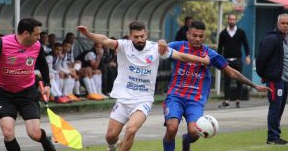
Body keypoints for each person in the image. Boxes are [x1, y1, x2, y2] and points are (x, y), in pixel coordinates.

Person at [77, 21, 210, 151]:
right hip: (124, 98)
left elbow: (181, 56)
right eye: (136, 37)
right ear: (130, 36)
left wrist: (202, 60)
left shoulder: (156, 48)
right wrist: (88, 34)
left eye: (142, 36)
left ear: (146, 34)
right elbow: (105, 40)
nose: (139, 39)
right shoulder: (123, 46)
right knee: (110, 136)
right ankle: (113, 145)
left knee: (131, 130)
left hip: (143, 99)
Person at [162, 21, 271, 151]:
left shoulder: (210, 54)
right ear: (187, 34)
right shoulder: (177, 46)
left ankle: (186, 140)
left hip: (195, 99)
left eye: (201, 36)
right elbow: (160, 49)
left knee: (194, 133)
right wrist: (162, 42)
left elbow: (232, 73)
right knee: (172, 127)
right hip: (175, 95)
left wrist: (255, 85)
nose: (198, 39)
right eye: (194, 35)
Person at [0, 18, 56, 151]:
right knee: (7, 132)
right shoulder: (2, 43)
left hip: (27, 93)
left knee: (34, 134)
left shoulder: (37, 46)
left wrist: (47, 85)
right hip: (4, 94)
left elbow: (43, 64)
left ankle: (46, 141)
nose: (39, 37)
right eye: (36, 34)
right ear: (25, 33)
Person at [256, 13, 288, 145]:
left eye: (287, 23)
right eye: (282, 23)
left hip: (285, 79)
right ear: (278, 24)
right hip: (274, 79)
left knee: (280, 108)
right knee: (275, 107)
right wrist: (264, 76)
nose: (285, 25)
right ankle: (272, 137)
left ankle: (275, 135)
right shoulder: (271, 39)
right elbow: (261, 60)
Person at [217, 14, 251, 108]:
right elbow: (220, 48)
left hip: (238, 59)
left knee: (239, 79)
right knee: (227, 80)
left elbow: (246, 44)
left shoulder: (241, 32)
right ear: (228, 20)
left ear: (236, 21)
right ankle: (227, 100)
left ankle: (238, 100)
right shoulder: (223, 33)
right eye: (230, 19)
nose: (232, 21)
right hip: (226, 60)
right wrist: (218, 60)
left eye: (233, 19)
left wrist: (248, 56)